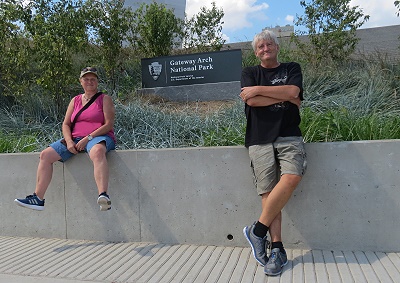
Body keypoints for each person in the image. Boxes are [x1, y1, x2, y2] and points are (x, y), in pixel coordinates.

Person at [240, 30, 307, 276]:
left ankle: (257, 231)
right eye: (260, 47)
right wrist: (285, 95)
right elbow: (252, 103)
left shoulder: (292, 67)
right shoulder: (249, 72)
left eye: (269, 45)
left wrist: (259, 90)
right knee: (268, 193)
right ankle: (277, 249)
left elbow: (293, 93)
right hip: (259, 138)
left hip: (289, 134)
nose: (265, 49)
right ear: (256, 52)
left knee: (292, 177)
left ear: (277, 47)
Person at [15, 67, 116, 211]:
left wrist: (88, 138)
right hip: (75, 138)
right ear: (81, 81)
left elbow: (109, 124)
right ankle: (38, 198)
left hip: (98, 136)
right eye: (86, 79)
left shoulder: (104, 99)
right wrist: (69, 141)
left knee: (98, 151)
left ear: (97, 82)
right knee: (45, 155)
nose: (89, 81)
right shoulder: (74, 101)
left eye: (93, 79)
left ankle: (103, 195)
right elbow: (66, 124)